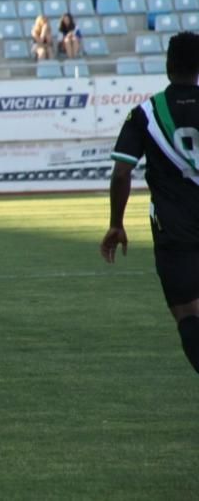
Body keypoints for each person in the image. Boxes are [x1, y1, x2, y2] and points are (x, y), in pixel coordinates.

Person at [102, 31, 199, 377]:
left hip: (173, 230)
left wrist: (116, 223)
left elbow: (121, 172)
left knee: (188, 315)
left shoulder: (146, 113)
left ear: (168, 65)